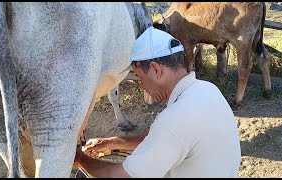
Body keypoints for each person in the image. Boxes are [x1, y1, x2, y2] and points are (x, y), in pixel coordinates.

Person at [74, 26, 241, 178]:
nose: (141, 86)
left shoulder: (175, 118)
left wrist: (80, 158)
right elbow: (166, 139)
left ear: (155, 69)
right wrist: (114, 142)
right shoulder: (207, 89)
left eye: (139, 77)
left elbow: (120, 175)